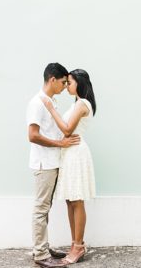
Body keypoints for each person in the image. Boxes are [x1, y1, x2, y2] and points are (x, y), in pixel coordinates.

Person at [40, 69, 96, 266]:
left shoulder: (82, 104)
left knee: (77, 200)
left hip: (76, 153)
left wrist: (51, 108)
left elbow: (67, 129)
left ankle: (78, 246)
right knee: (70, 201)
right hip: (69, 153)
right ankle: (75, 245)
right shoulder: (76, 103)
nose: (66, 86)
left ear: (79, 83)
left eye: (69, 82)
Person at [27, 63, 81, 268]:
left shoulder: (51, 101)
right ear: (52, 80)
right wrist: (61, 143)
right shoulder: (38, 103)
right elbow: (32, 135)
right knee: (41, 208)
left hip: (52, 162)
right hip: (44, 163)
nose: (64, 86)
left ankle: (42, 246)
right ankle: (40, 254)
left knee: (45, 207)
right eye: (62, 82)